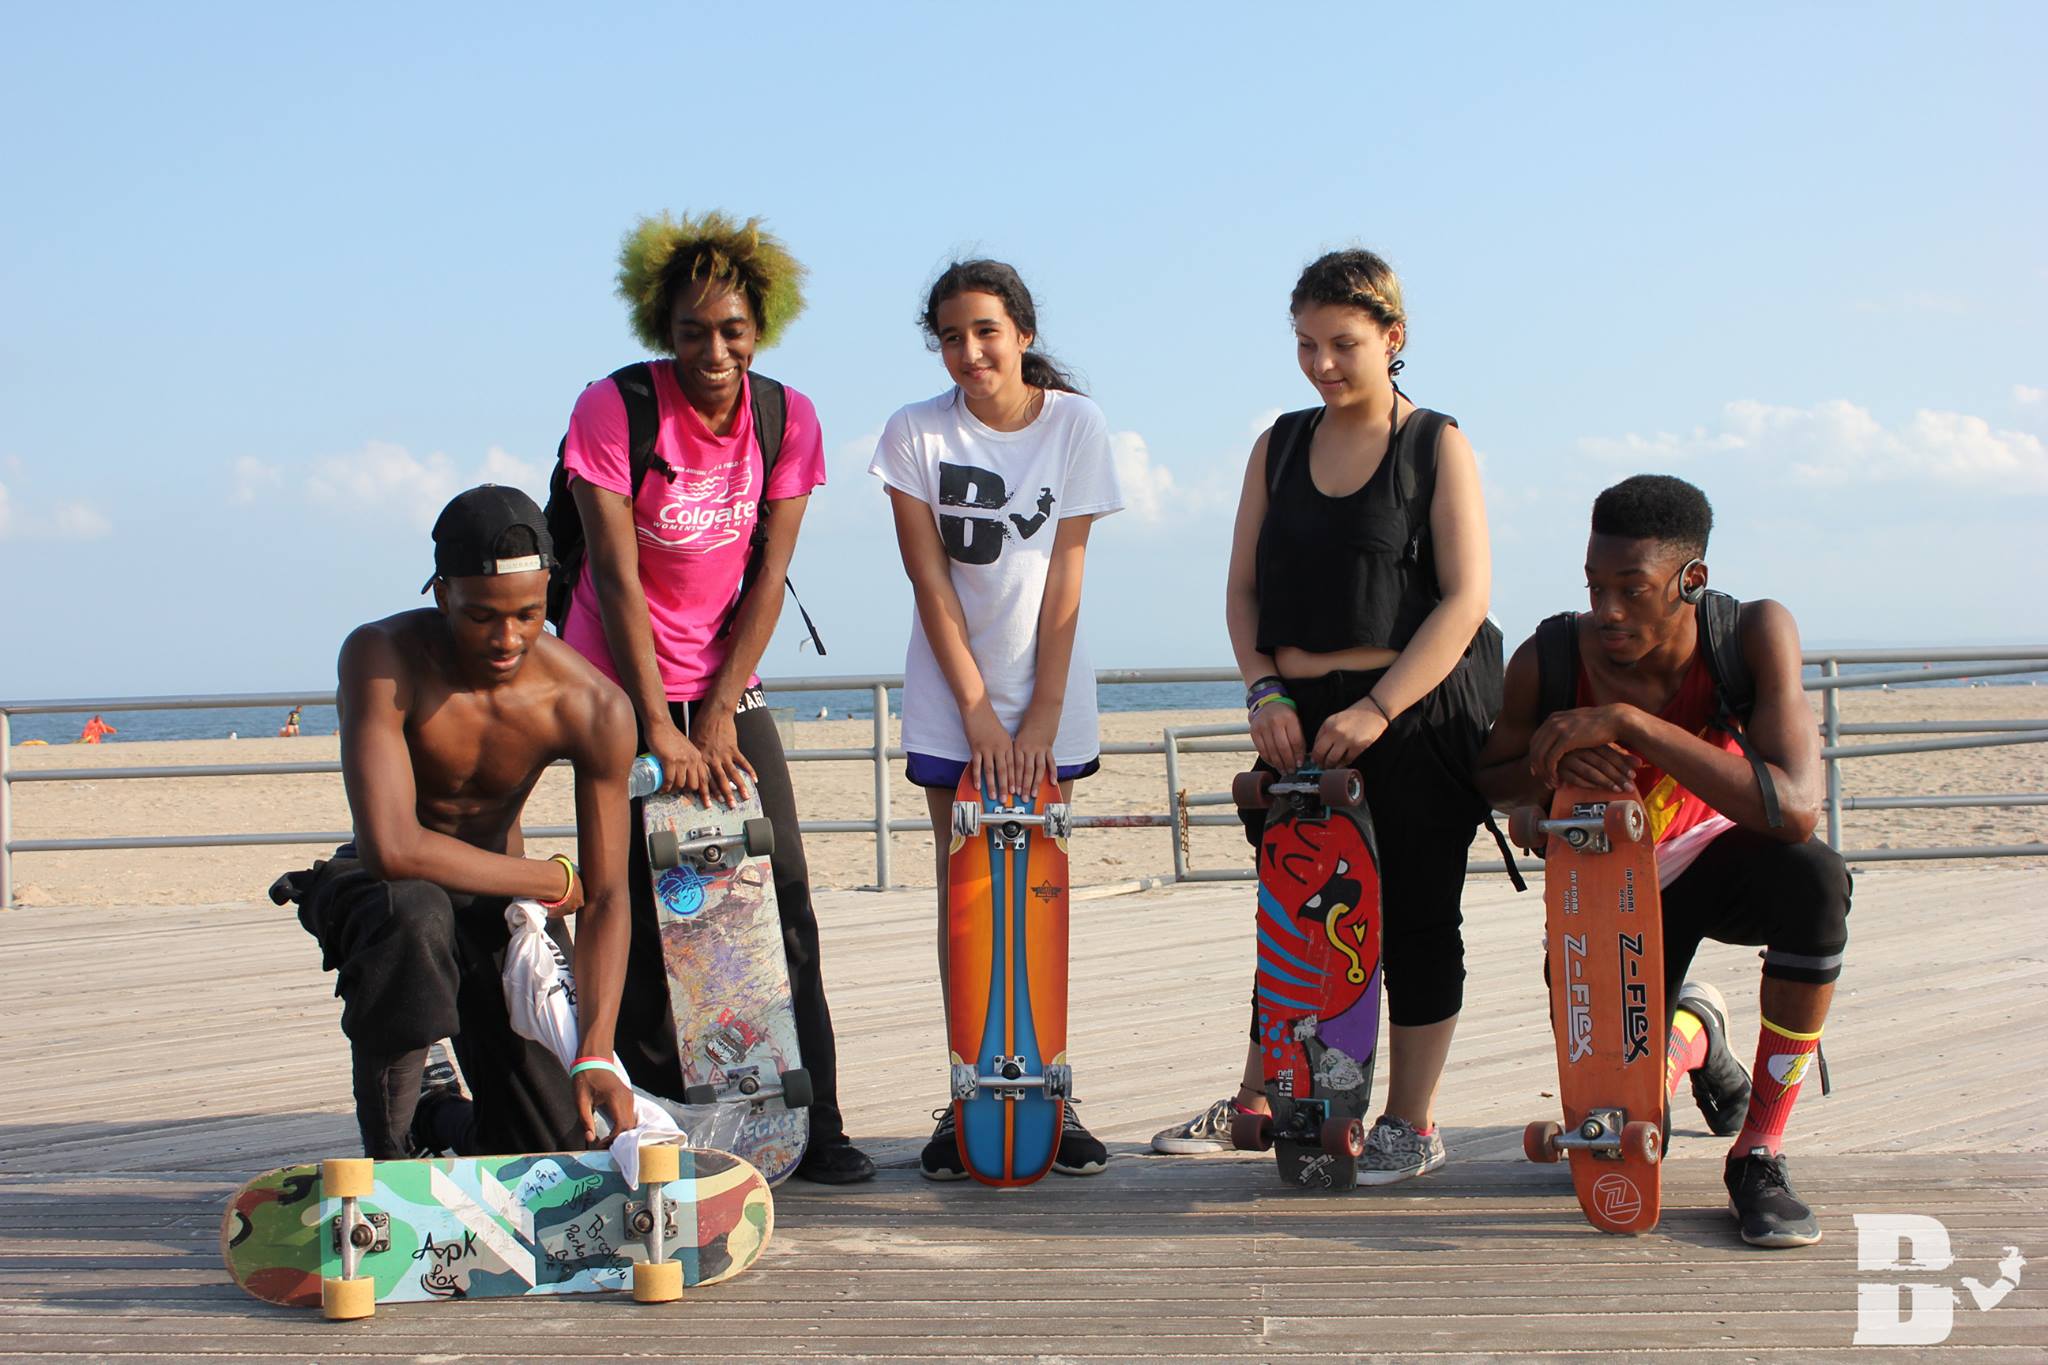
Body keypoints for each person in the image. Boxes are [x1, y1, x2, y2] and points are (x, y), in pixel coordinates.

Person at [1151, 249, 1499, 1185]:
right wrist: (1262, 689)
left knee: (1420, 919)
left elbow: (1464, 600)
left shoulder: (1435, 443)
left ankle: (1409, 1122)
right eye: (1305, 344)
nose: (1322, 365)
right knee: (1295, 925)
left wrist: (1380, 708)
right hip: (1295, 718)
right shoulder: (1280, 442)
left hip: (1412, 714)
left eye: (1342, 344)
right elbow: (1240, 588)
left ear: (1393, 337)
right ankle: (1266, 1094)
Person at [557, 210, 873, 1183]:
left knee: (777, 895)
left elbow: (769, 574)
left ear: (760, 324)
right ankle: (662, 1124)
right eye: (693, 331)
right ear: (664, 328)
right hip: (615, 678)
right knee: (647, 905)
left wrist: (720, 711)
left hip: (722, 678)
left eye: (731, 330)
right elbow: (615, 579)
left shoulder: (786, 417)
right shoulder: (615, 410)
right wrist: (657, 725)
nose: (713, 350)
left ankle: (812, 1123)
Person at [1475, 474, 1849, 1248]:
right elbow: (1488, 776)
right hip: (1606, 883)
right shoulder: (1547, 657)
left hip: (1720, 852)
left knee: (1817, 879)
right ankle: (1695, 1034)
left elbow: (1795, 805)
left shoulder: (1749, 634)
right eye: (1594, 586)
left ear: (1692, 579)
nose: (1606, 611)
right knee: (1629, 1130)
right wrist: (1553, 771)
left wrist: (1632, 725)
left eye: (1631, 590)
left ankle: (1758, 1154)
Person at [274, 485, 640, 1158]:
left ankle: (434, 1116)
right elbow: (391, 846)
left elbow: (608, 894)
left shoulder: (592, 704)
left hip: (497, 906)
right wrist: (543, 873)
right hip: (380, 888)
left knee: (553, 1144)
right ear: (441, 594)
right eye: (480, 617)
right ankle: (389, 1162)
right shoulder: (381, 658)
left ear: (550, 594)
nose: (507, 637)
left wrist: (595, 1051)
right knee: (413, 916)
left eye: (529, 614)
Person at [870, 259, 1125, 1181]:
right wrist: (978, 711)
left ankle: (1052, 1097)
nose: (969, 351)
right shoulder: (914, 433)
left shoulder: (1075, 426)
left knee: (1042, 898)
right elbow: (930, 578)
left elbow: (1067, 574)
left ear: (1021, 329)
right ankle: (967, 1096)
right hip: (953, 699)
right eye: (949, 335)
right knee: (970, 898)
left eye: (985, 330)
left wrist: (1040, 715)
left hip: (1049, 691)